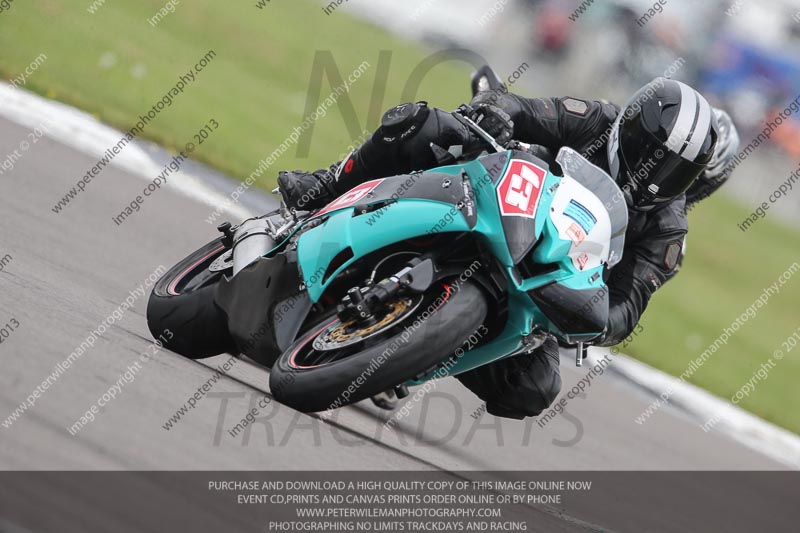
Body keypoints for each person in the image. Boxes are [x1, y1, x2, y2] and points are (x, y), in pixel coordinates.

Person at [277, 77, 740, 419]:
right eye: (654, 156)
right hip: (501, 202)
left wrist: (592, 324)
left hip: (544, 283)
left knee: (533, 388)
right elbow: (523, 107)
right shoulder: (595, 119)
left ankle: (411, 361)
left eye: (676, 172)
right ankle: (324, 187)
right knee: (425, 125)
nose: (656, 178)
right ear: (631, 129)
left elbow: (628, 307)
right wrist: (496, 110)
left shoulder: (667, 232)